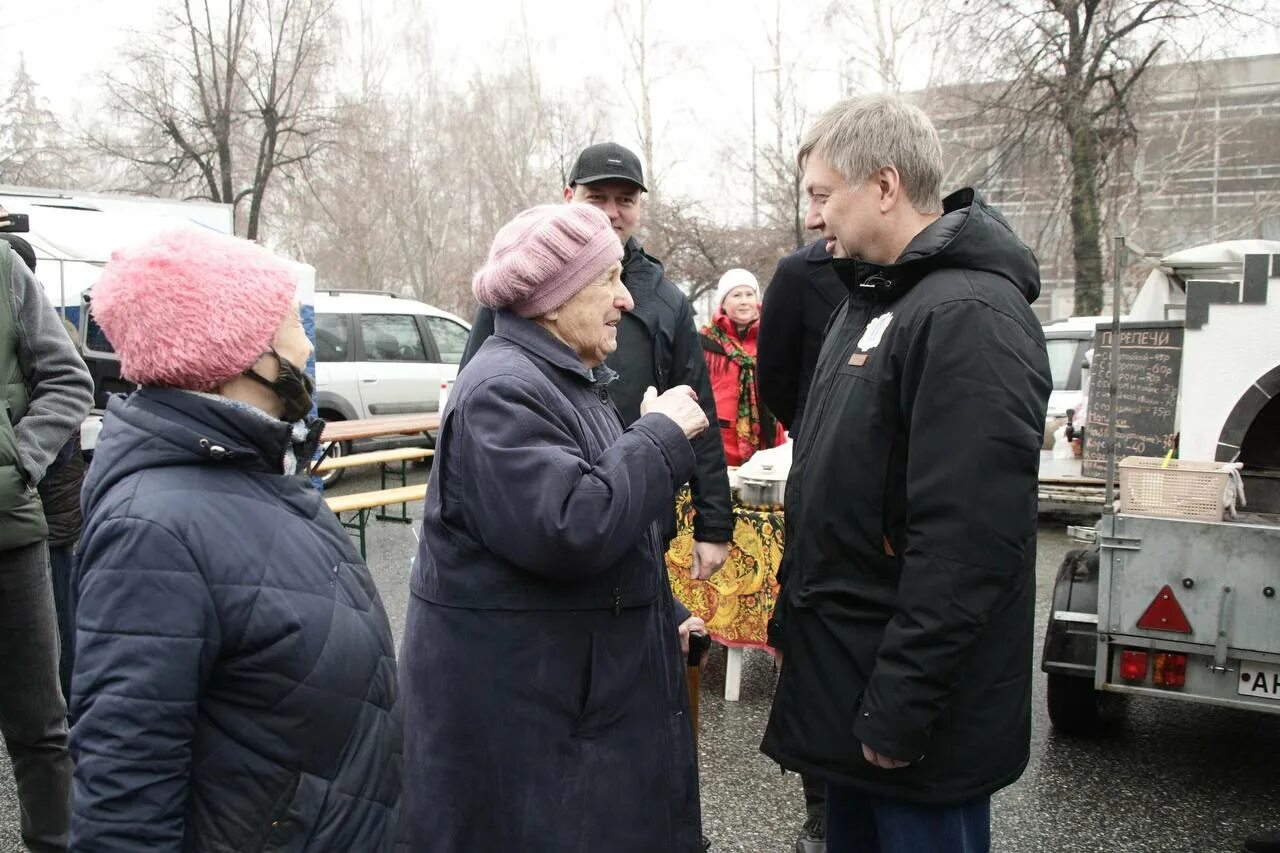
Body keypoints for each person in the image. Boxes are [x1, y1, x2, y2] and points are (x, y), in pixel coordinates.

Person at [760, 94, 1052, 853]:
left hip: (913, 724)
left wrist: (901, 704)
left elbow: (968, 543)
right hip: (853, 695)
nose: (814, 217)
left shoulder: (971, 316)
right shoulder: (874, 300)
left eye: (824, 195)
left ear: (884, 186)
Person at [69, 229, 402, 851]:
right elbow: (123, 796)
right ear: (242, 354)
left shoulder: (258, 473)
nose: (307, 343)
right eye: (291, 324)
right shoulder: (150, 533)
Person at [400, 203, 709, 852]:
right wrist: (659, 437)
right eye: (609, 279)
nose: (626, 298)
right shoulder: (501, 390)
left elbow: (603, 526)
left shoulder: (560, 379)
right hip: (529, 732)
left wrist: (662, 608)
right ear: (553, 297)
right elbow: (572, 524)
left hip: (561, 711)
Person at [460, 141, 732, 582]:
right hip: (558, 523)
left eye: (624, 200)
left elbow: (695, 407)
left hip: (639, 514)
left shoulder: (665, 299)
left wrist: (714, 521)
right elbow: (475, 404)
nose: (610, 212)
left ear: (640, 206)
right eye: (596, 198)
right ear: (569, 197)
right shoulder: (521, 289)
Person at [0, 223, 92, 853]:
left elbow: (70, 379)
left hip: (10, 538)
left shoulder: (6, 270)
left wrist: (18, 461)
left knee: (41, 725)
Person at [1, 233, 85, 703]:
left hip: (39, 512)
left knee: (57, 625)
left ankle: (71, 699)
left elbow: (68, 390)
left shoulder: (46, 334)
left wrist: (22, 465)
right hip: (40, 503)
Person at [757, 238, 846, 439]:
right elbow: (773, 375)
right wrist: (808, 422)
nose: (811, 219)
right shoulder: (796, 271)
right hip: (818, 438)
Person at [699, 268, 784, 466]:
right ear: (723, 302)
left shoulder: (773, 335)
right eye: (736, 295)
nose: (744, 301)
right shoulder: (704, 341)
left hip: (768, 439)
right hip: (718, 441)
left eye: (749, 294)